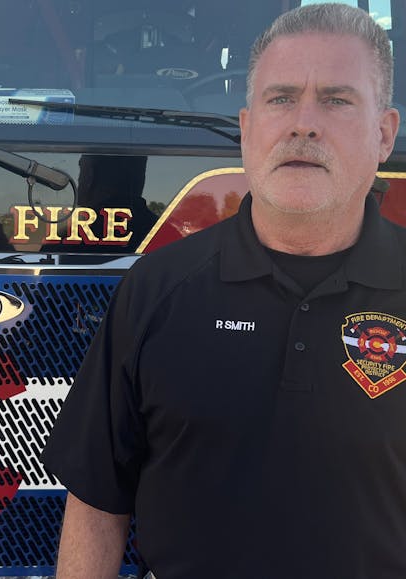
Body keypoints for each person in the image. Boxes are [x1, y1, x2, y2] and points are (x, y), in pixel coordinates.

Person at [40, 4, 403, 578]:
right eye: (281, 98)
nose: (303, 123)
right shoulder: (156, 291)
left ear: (384, 134)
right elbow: (96, 506)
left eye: (336, 100)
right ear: (246, 128)